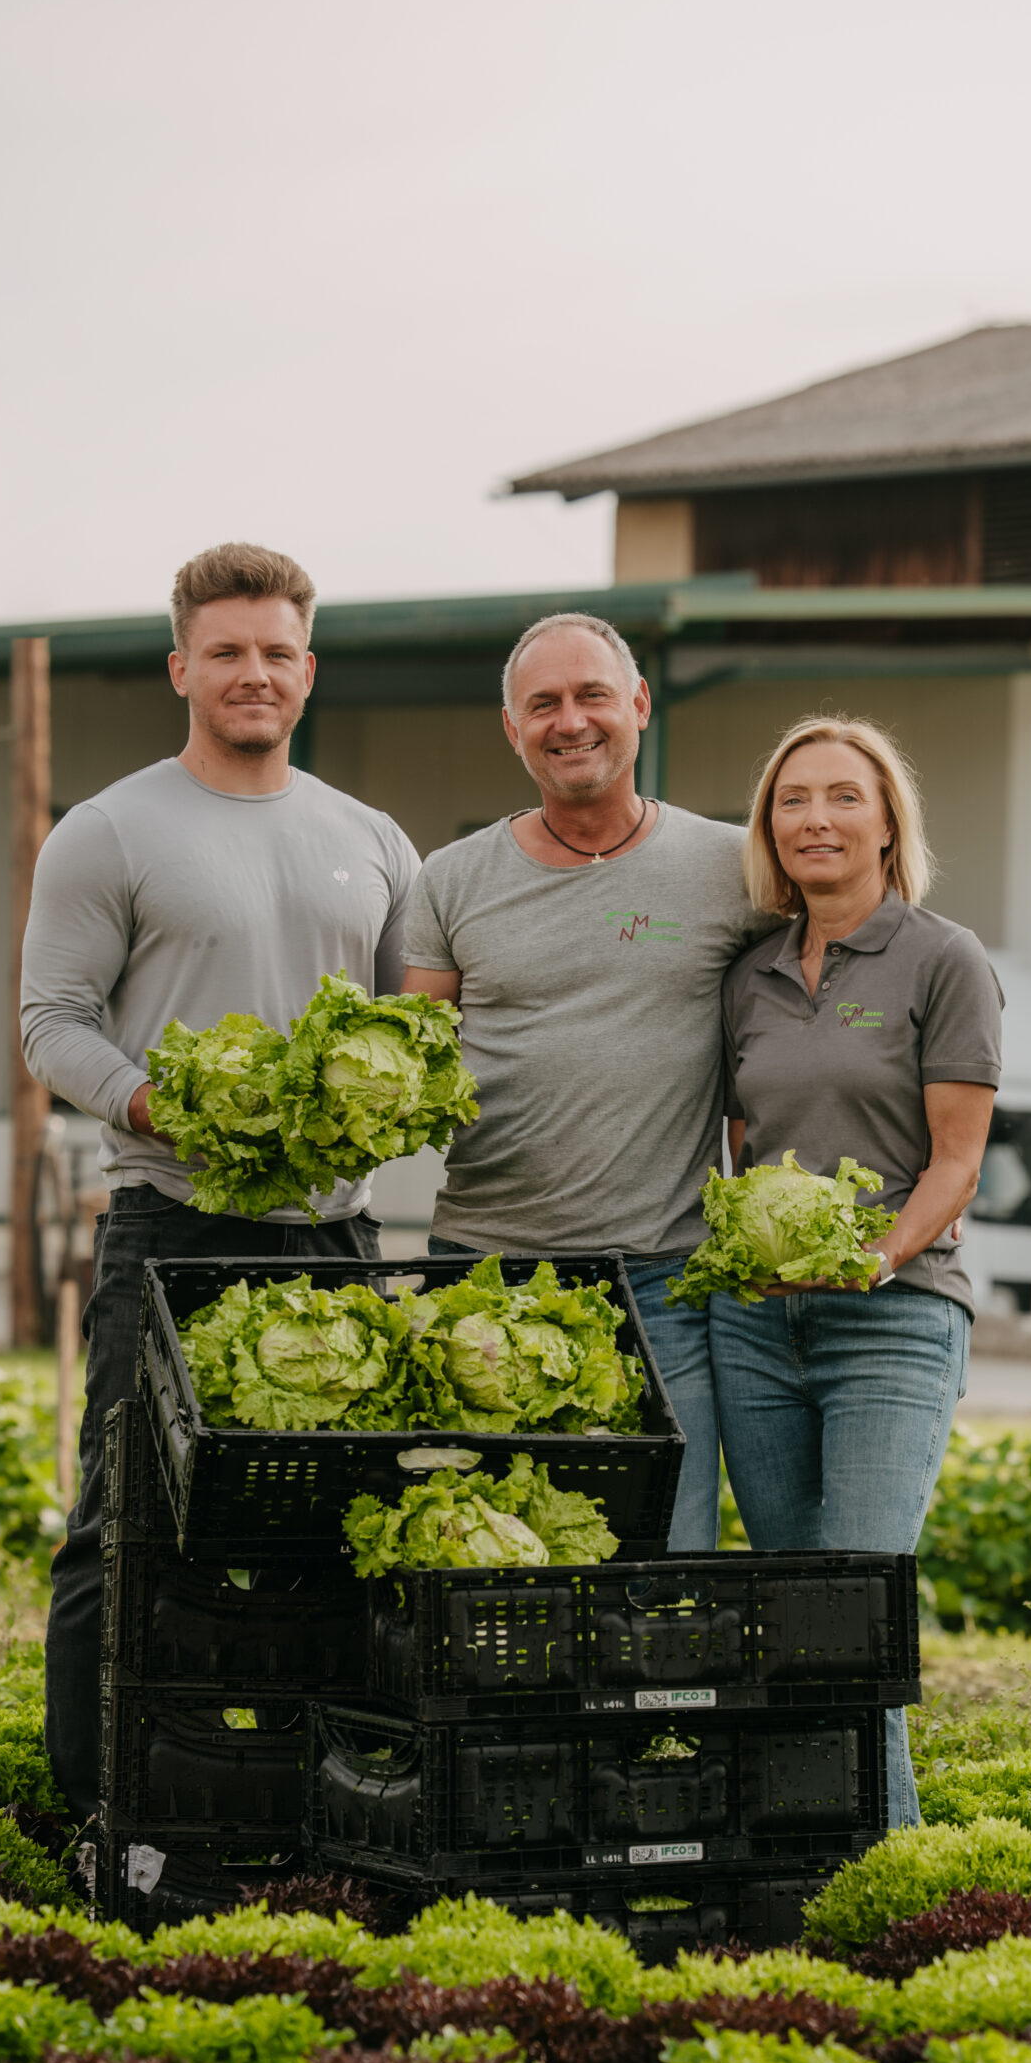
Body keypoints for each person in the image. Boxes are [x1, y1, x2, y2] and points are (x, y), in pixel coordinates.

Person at [20, 541, 420, 1819]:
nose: (256, 673)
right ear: (180, 665)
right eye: (230, 651)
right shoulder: (113, 828)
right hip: (169, 1228)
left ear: (311, 671)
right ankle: (100, 1809)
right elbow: (51, 1024)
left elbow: (417, 1032)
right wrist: (162, 1101)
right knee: (123, 1521)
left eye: (279, 652)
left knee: (337, 1532)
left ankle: (316, 1799)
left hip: (335, 1236)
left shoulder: (372, 838)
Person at [400, 611, 775, 1550]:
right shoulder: (450, 880)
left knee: (664, 1553)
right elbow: (413, 1061)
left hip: (662, 1281)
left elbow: (816, 1019)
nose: (570, 722)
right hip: (482, 1276)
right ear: (512, 727)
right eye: (543, 704)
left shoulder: (731, 868)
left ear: (638, 705)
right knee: (477, 1555)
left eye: (592, 695)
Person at [707, 715, 1003, 1828]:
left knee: (855, 1602)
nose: (815, 819)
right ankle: (807, 1851)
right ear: (769, 830)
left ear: (888, 822)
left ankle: (892, 1862)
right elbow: (740, 1146)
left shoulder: (944, 958)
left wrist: (867, 1259)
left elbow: (956, 1164)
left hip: (893, 1319)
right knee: (791, 1603)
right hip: (755, 1328)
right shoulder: (750, 974)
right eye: (792, 801)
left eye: (842, 797)